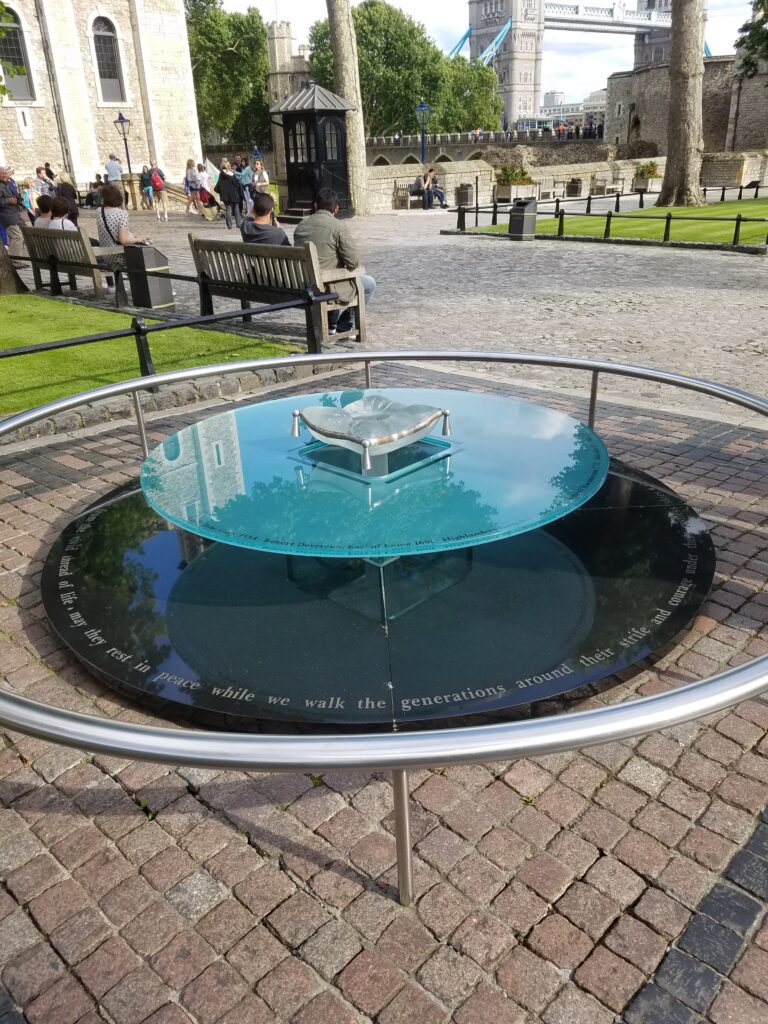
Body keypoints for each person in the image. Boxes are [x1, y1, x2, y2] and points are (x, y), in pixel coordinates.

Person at [294, 187, 375, 336]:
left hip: (304, 283)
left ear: (315, 205)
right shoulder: (338, 226)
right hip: (326, 286)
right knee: (369, 283)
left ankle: (332, 323)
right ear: (336, 208)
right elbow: (353, 262)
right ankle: (345, 324)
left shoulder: (301, 226)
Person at [96, 184, 151, 283]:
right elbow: (123, 240)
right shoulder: (121, 214)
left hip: (105, 254)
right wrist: (138, 239)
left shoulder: (99, 212)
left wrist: (133, 236)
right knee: (149, 256)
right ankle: (152, 288)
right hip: (118, 256)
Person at [0, 165, 24, 260]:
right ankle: (15, 261)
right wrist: (8, 200)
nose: (5, 175)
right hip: (7, 216)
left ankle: (13, 260)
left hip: (13, 215)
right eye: (2, 173)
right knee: (18, 237)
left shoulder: (6, 184)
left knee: (13, 238)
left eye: (6, 173)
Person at [214, 160, 242, 229]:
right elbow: (236, 184)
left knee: (228, 208)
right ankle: (238, 223)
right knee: (236, 208)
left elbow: (219, 185)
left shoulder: (221, 174)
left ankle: (229, 225)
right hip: (233, 193)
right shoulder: (232, 174)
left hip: (225, 194)